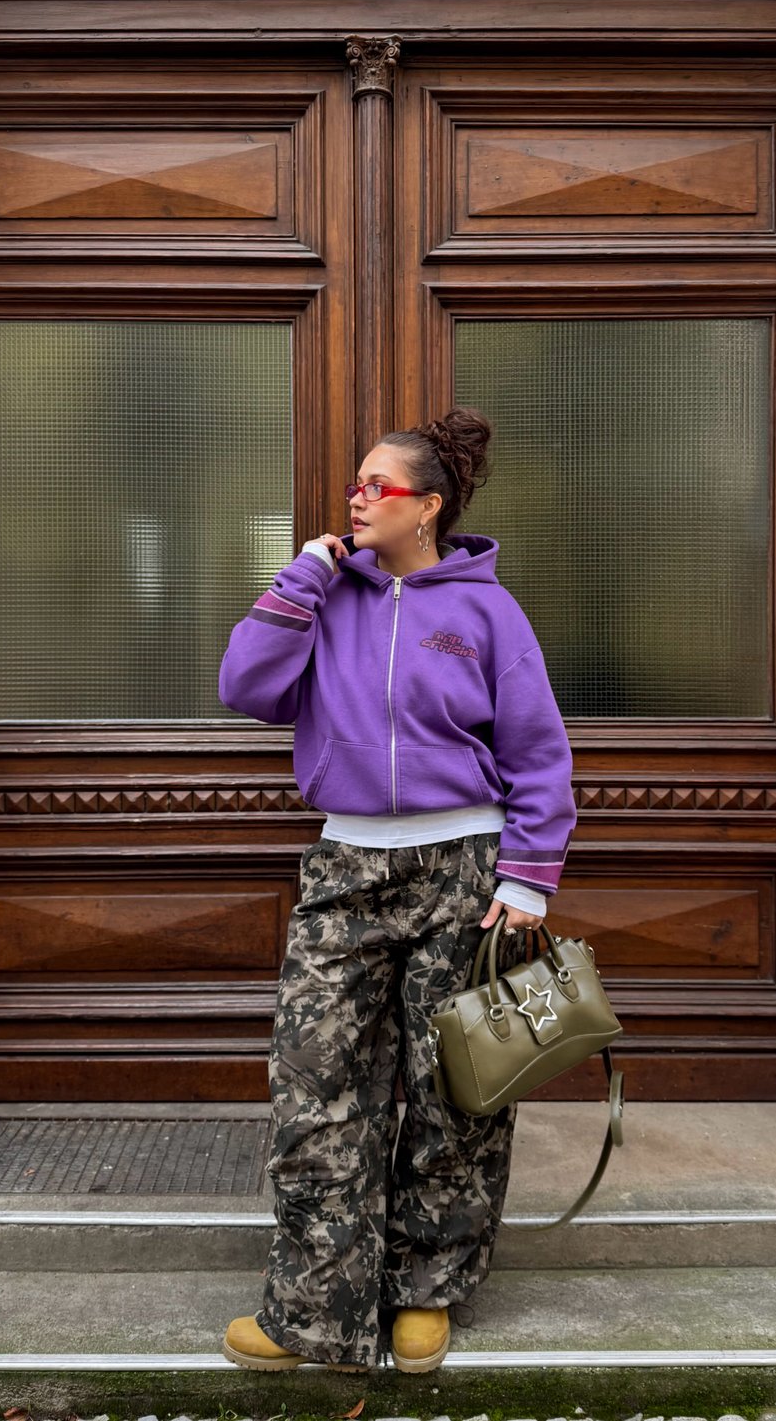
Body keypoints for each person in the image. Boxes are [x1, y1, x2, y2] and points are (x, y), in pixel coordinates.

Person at [217, 405, 577, 1374]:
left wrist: (529, 881)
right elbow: (244, 686)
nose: (356, 495)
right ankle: (316, 1309)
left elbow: (537, 754)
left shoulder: (488, 612)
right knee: (315, 1082)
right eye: (355, 482)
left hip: (462, 863)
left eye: (377, 484)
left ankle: (427, 1289)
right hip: (345, 864)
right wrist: (303, 573)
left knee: (453, 1085)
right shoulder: (323, 595)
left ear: (428, 507)